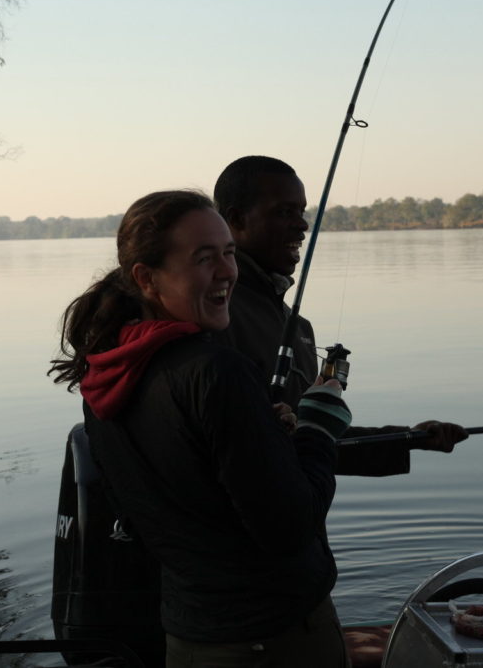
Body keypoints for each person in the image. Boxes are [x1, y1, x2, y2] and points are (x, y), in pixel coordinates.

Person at [49, 190, 354, 667]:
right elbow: (291, 528)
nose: (228, 271)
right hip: (274, 641)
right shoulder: (215, 371)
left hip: (190, 638)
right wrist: (318, 428)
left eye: (229, 252)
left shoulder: (104, 375)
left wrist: (265, 435)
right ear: (147, 279)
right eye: (203, 258)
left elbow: (183, 483)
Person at [212, 155, 468, 474]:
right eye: (284, 212)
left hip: (297, 512)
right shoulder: (215, 316)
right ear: (236, 219)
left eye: (302, 212)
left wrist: (409, 438)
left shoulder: (298, 326)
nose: (303, 225)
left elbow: (312, 440)